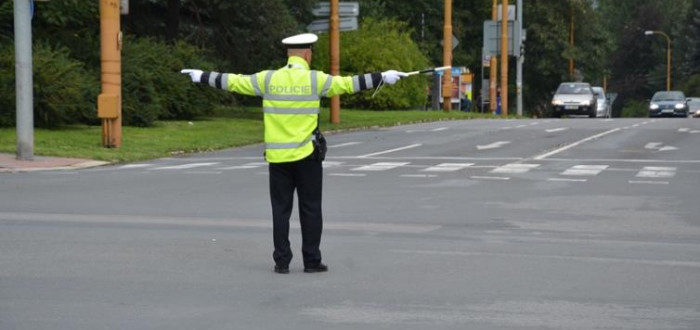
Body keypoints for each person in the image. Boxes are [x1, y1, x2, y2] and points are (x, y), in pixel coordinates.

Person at [181, 33, 407, 274]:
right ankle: (311, 261)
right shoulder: (315, 80)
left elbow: (234, 81)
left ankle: (282, 262)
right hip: (307, 157)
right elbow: (349, 84)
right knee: (311, 208)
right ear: (308, 53)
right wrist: (382, 77)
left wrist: (201, 76)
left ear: (288, 53)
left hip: (278, 159)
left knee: (280, 211)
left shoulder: (267, 79)